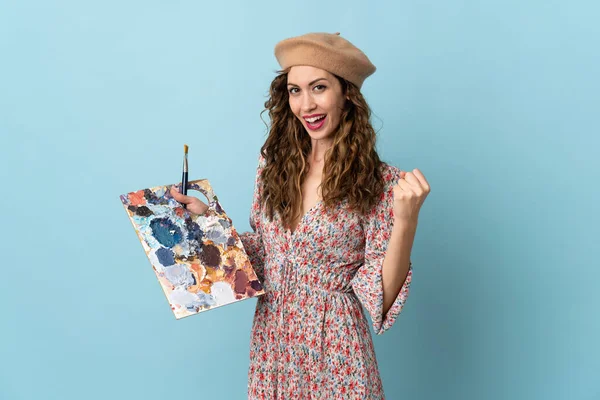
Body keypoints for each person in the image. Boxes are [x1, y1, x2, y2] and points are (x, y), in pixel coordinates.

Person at [171, 32, 430, 399]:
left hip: (336, 348)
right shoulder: (273, 165)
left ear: (346, 94)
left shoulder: (382, 182)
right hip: (273, 342)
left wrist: (406, 221)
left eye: (319, 87)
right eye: (295, 90)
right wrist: (208, 222)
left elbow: (381, 297)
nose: (306, 104)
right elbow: (266, 253)